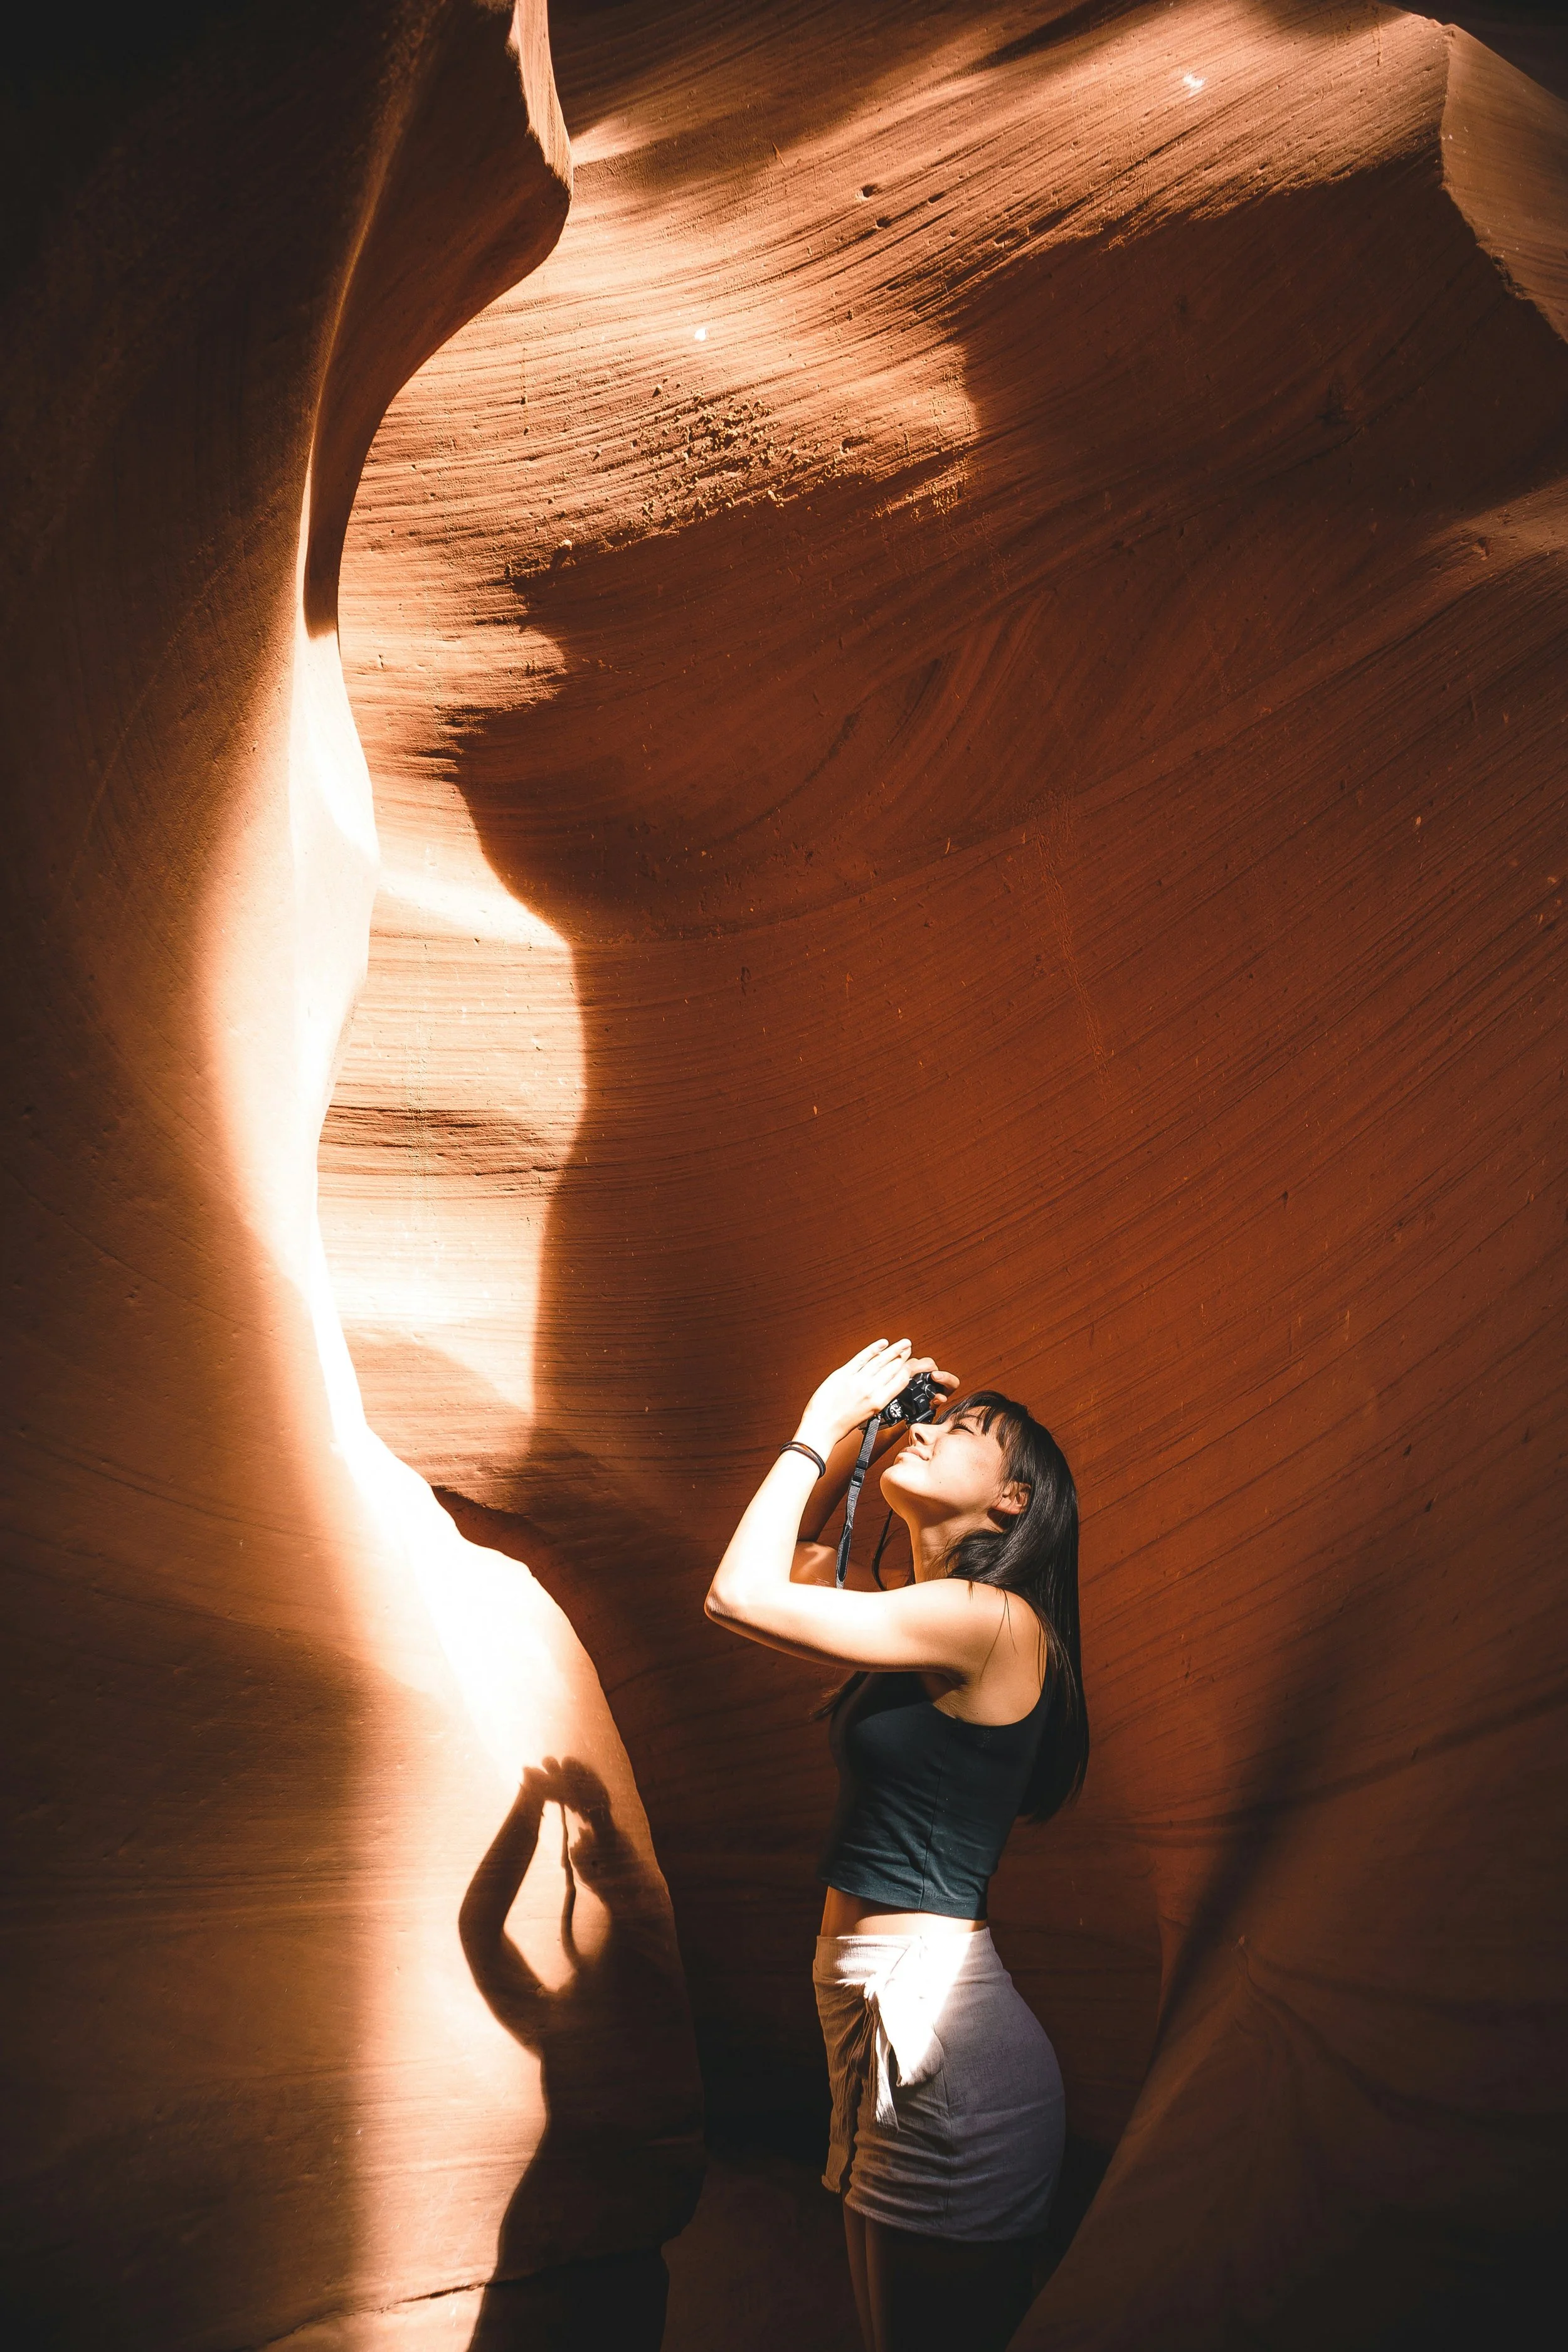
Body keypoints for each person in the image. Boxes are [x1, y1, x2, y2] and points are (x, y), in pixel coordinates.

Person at [705, 1338, 1089, 2352]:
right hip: (880, 2021)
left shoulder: (995, 1621)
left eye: (960, 1431)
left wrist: (816, 1417)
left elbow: (735, 1594)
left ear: (1012, 1503)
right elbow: (796, 1571)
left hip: (939, 2041)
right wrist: (850, 1442)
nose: (923, 1426)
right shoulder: (930, 1623)